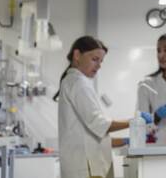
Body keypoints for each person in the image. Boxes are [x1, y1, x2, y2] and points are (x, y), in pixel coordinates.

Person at [55, 36, 152, 178]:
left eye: (101, 61)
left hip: (86, 164)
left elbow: (91, 134)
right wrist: (135, 121)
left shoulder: (75, 81)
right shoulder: (78, 83)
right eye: (95, 59)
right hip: (87, 167)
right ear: (77, 55)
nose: (99, 65)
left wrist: (124, 141)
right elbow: (99, 124)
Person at [136, 33, 166, 144]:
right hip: (158, 148)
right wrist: (156, 116)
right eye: (158, 51)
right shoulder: (146, 85)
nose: (161, 55)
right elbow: (140, 125)